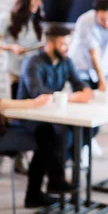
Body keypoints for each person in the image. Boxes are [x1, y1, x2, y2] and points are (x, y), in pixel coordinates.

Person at [0, 29, 75, 208]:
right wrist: (32, 103)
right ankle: (46, 187)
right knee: (46, 137)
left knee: (45, 131)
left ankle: (47, 186)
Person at [0, 0, 45, 180]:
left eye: (39, 0)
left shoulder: (36, 20)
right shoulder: (7, 18)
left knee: (28, 119)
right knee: (15, 118)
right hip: (16, 74)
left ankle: (20, 159)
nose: (38, 3)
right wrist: (11, 47)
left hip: (33, 75)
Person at [17, 25, 93, 160]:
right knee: (66, 136)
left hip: (54, 113)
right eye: (63, 44)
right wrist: (70, 98)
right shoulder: (32, 63)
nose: (68, 48)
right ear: (50, 44)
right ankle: (57, 169)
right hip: (33, 117)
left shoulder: (66, 61)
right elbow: (37, 92)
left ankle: (61, 165)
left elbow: (78, 82)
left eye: (68, 43)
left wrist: (85, 90)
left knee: (90, 128)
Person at [68, 0, 108, 92]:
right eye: (102, 19)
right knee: (85, 96)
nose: (107, 23)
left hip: (103, 68)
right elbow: (94, 52)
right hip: (82, 67)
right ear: (95, 14)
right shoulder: (84, 21)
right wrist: (101, 79)